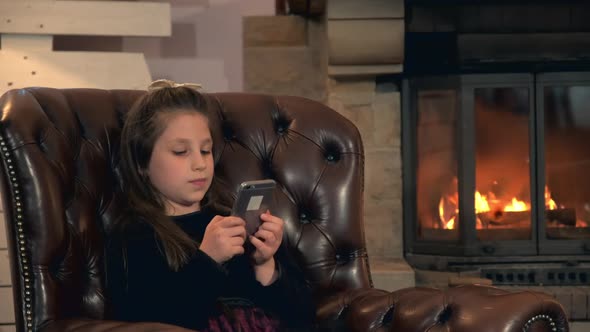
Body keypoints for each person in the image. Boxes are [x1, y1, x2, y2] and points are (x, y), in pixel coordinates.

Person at [105, 80, 316, 331]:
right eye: (181, 152)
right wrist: (207, 260)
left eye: (205, 151)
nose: (199, 164)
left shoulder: (233, 221)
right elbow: (150, 318)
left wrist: (266, 265)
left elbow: (305, 313)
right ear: (142, 162)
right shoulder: (133, 235)